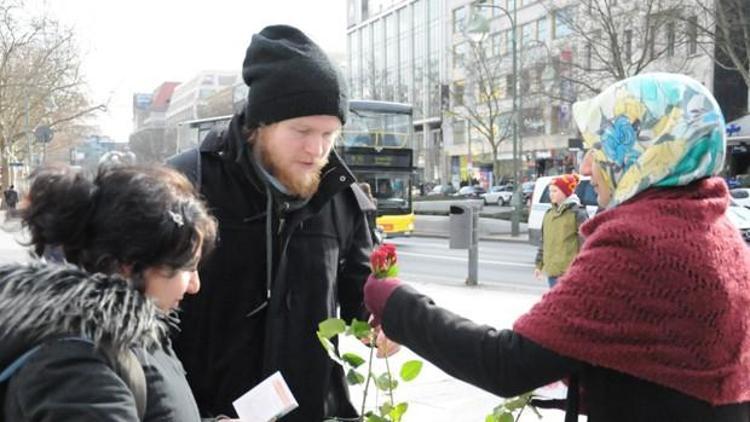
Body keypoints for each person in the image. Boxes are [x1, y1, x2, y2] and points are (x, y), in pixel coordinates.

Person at [362, 73, 750, 421]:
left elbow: (506, 364)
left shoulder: (640, 242)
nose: (585, 167)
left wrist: (396, 302)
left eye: (599, 149)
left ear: (641, 153)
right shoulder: (716, 227)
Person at [168, 25, 374, 421]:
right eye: (302, 131)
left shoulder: (343, 197)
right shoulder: (187, 184)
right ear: (260, 124)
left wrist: (381, 323)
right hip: (206, 411)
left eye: (329, 134)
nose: (316, 149)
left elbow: (361, 298)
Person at [0, 164, 219, 421]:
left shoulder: (129, 331)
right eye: (188, 267)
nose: (195, 285)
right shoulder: (74, 365)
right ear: (130, 265)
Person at [533, 173, 588, 288]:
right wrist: (539, 264)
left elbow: (586, 243)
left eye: (555, 191)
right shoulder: (549, 214)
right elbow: (544, 241)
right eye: (550, 191)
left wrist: (583, 267)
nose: (551, 194)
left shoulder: (577, 213)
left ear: (565, 192)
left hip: (569, 272)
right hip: (552, 271)